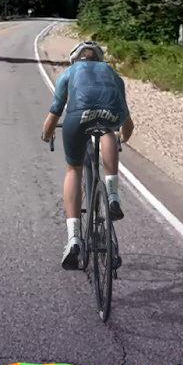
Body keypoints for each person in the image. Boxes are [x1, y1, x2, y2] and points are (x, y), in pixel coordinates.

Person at [41, 40, 135, 270]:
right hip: (112, 116)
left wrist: (46, 135)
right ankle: (112, 194)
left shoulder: (69, 72)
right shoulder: (112, 74)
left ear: (75, 58)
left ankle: (74, 239)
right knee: (107, 131)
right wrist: (124, 137)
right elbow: (128, 123)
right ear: (100, 60)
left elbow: (55, 112)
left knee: (74, 169)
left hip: (77, 117)